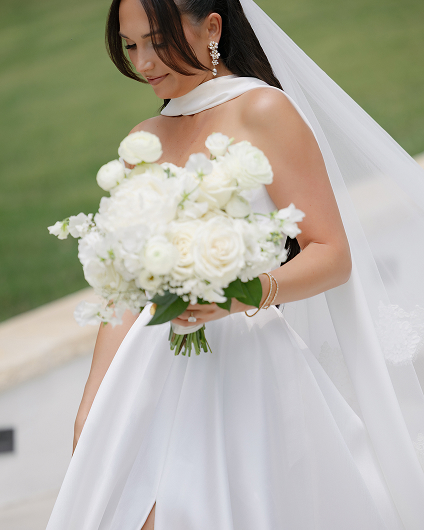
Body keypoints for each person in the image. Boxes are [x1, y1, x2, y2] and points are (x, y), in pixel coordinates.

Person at [46, 0, 424, 529]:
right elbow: (126, 292)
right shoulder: (141, 142)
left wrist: (241, 294)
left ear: (213, 28)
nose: (144, 62)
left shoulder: (262, 111)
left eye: (155, 40)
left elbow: (332, 254)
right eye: (131, 46)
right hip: (147, 369)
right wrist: (93, 402)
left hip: (247, 371)